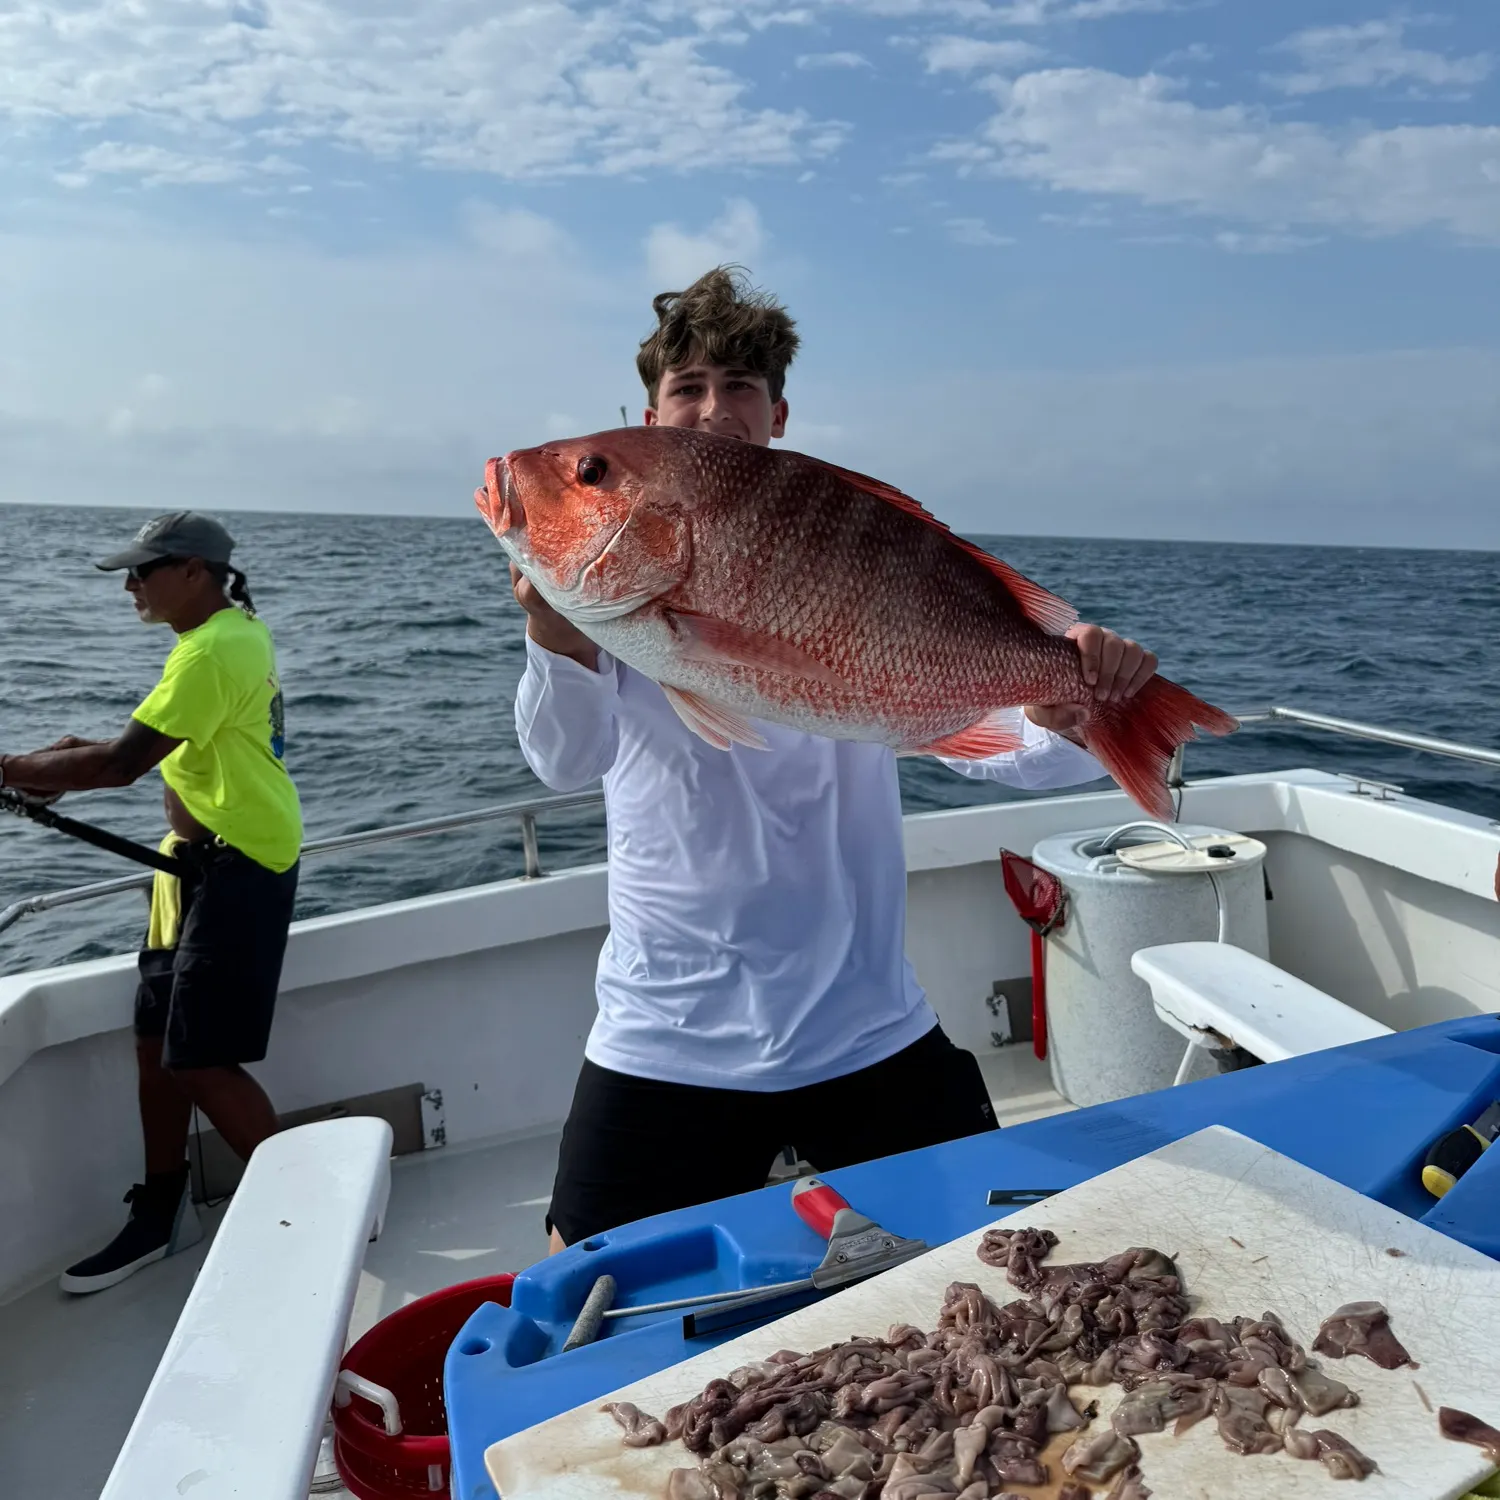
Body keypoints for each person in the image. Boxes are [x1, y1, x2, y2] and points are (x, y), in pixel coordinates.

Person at [511, 267, 1161, 1252]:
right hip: (667, 1035)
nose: (712, 409)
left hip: (867, 1028)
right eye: (687, 388)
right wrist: (556, 642)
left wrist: (1070, 710)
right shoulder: (613, 590)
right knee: (581, 1295)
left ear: (777, 412)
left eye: (738, 386)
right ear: (651, 414)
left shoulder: (829, 536)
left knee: (986, 1270)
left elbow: (1017, 756)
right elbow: (565, 763)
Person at [0, 511, 303, 1294]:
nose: (130, 585)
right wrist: (65, 759)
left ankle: (313, 1217)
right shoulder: (216, 639)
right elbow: (155, 746)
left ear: (195, 571)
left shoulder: (214, 649)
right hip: (191, 867)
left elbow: (127, 762)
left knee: (199, 1058)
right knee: (153, 1042)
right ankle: (162, 1214)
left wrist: (11, 765)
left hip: (240, 869)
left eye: (143, 570)